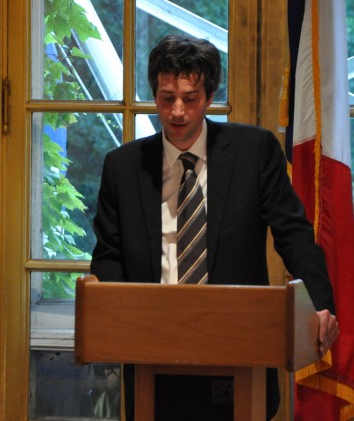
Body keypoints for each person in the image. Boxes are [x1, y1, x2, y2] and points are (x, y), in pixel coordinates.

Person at [90, 35, 339, 420]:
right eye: (165, 98)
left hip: (240, 351)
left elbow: (293, 234)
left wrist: (319, 305)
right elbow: (108, 255)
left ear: (209, 97)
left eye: (189, 99)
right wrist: (117, 318)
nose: (176, 112)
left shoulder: (254, 151)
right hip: (152, 353)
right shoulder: (123, 167)